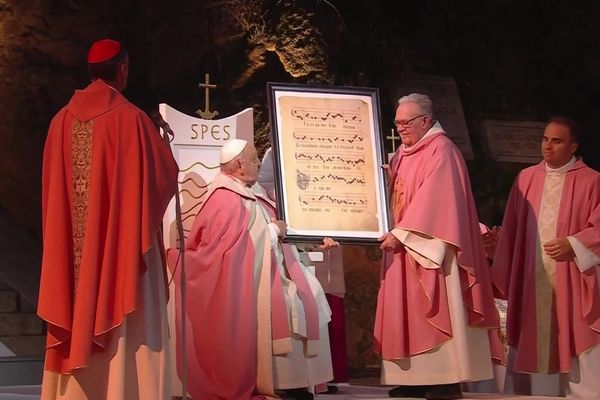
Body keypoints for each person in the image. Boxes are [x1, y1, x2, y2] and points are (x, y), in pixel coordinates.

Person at [38, 39, 179, 400]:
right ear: (123, 69)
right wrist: (159, 140)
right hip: (121, 253)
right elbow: (162, 177)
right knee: (132, 319)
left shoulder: (59, 123)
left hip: (74, 257)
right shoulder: (132, 120)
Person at [167, 139, 332, 400]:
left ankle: (300, 382)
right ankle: (282, 383)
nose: (257, 164)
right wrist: (273, 231)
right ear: (238, 165)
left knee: (310, 290)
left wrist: (311, 241)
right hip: (243, 278)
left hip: (268, 268)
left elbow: (274, 230)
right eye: (254, 159)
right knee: (289, 299)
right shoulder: (223, 197)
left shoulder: (250, 192)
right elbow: (228, 247)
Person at [374, 93, 500, 399]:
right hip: (404, 245)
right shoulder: (404, 153)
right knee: (404, 309)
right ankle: (415, 378)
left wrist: (403, 234)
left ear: (425, 121)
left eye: (406, 122)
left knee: (439, 308)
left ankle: (446, 380)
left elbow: (437, 200)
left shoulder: (442, 151)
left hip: (432, 248)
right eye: (397, 122)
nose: (400, 128)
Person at [492, 117, 600, 398]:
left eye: (557, 140)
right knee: (532, 341)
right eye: (545, 139)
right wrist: (500, 264)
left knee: (572, 337)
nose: (547, 146)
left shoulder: (592, 180)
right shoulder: (526, 178)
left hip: (570, 280)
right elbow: (512, 230)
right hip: (531, 280)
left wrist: (574, 244)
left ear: (573, 146)